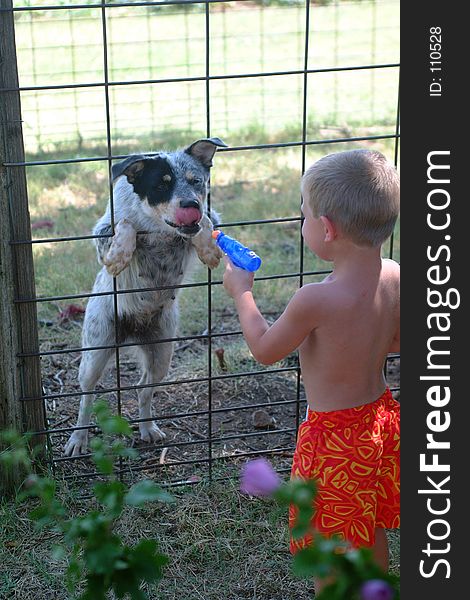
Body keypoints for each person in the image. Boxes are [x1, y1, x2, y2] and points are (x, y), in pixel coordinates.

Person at [221, 149, 400, 590]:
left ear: (327, 228)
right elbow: (399, 342)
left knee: (327, 553)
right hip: (380, 424)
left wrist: (242, 293)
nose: (302, 224)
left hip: (334, 440)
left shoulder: (314, 300)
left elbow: (264, 349)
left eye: (303, 215)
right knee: (367, 524)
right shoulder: (396, 275)